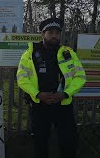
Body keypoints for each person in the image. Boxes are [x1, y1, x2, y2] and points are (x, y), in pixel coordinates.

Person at [16, 18, 86, 158]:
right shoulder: (29, 54)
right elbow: (22, 78)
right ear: (43, 34)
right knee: (40, 142)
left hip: (63, 104)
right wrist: (37, 94)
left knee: (69, 141)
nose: (54, 36)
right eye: (50, 32)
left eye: (57, 33)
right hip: (40, 105)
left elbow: (80, 77)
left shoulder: (69, 54)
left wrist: (66, 94)